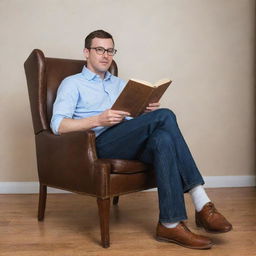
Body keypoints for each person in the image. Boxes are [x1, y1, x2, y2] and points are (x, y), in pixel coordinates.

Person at [51, 29, 232, 250]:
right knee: (165, 115)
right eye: (99, 49)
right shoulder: (72, 83)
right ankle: (201, 202)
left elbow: (131, 120)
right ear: (86, 52)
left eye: (110, 50)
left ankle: (170, 223)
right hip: (97, 145)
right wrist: (98, 118)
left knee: (163, 138)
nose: (105, 55)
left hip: (126, 140)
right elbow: (58, 125)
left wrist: (146, 112)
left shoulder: (119, 84)